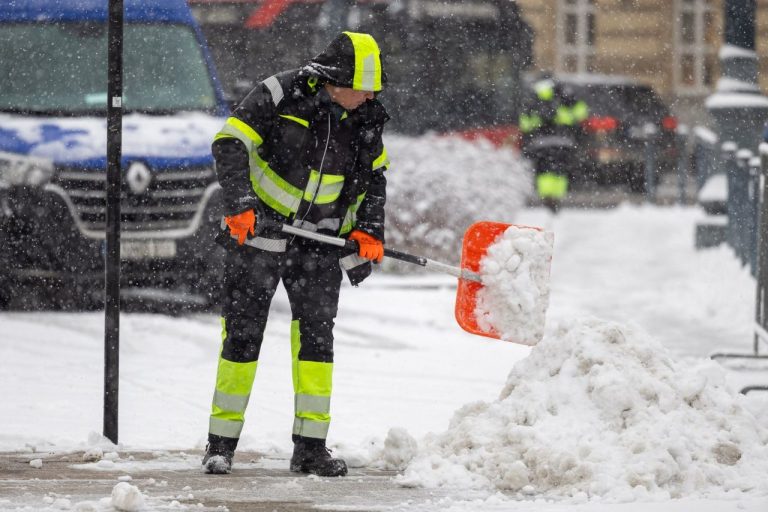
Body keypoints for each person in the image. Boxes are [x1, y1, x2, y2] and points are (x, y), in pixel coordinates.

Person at [202, 32, 390, 477]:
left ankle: (310, 448)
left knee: (317, 344)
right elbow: (229, 143)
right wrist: (240, 205)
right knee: (243, 335)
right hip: (262, 231)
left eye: (372, 90)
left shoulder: (366, 116)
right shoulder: (280, 93)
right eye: (362, 87)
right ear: (334, 80)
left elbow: (375, 178)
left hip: (320, 244)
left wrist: (369, 230)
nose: (368, 96)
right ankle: (221, 445)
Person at [518, 77, 588, 213]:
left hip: (541, 142)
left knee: (544, 170)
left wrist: (537, 123)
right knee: (559, 170)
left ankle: (548, 197)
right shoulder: (564, 94)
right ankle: (555, 197)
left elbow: (525, 123)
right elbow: (581, 113)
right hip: (563, 141)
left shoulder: (533, 98)